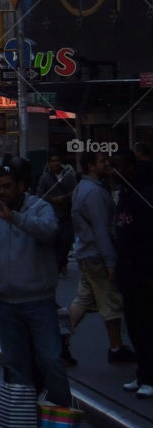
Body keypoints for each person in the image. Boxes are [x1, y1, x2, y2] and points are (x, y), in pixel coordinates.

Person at [0, 159, 72, 428]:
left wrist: (14, 217)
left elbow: (48, 232)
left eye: (7, 187)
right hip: (6, 301)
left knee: (51, 360)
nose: (2, 192)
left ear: (21, 186)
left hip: (38, 299)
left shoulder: (39, 207)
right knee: (16, 368)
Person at [68, 148, 135, 363]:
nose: (107, 164)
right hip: (96, 254)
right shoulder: (94, 193)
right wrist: (110, 261)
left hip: (86, 252)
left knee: (84, 299)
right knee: (110, 302)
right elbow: (101, 229)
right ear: (91, 166)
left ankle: (59, 338)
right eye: (102, 160)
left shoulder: (83, 188)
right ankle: (116, 347)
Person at [113, 150, 153, 397]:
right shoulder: (125, 194)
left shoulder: (143, 195)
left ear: (130, 167)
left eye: (118, 166)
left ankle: (149, 376)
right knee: (134, 326)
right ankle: (142, 373)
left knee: (146, 325)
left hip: (143, 272)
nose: (114, 171)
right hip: (127, 270)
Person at [35, 152, 76, 275]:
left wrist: (64, 198)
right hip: (51, 214)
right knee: (55, 240)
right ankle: (57, 265)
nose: (55, 163)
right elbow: (40, 195)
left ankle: (63, 262)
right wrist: (52, 200)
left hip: (66, 213)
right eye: (53, 161)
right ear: (49, 163)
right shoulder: (44, 178)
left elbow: (75, 192)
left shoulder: (69, 176)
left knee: (66, 239)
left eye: (57, 160)